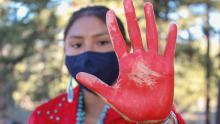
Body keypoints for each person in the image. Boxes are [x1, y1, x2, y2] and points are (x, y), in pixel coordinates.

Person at [28, 0, 185, 124]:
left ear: (127, 47)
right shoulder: (44, 116)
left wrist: (156, 122)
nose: (87, 54)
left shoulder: (155, 112)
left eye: (102, 42)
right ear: (65, 50)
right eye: (76, 44)